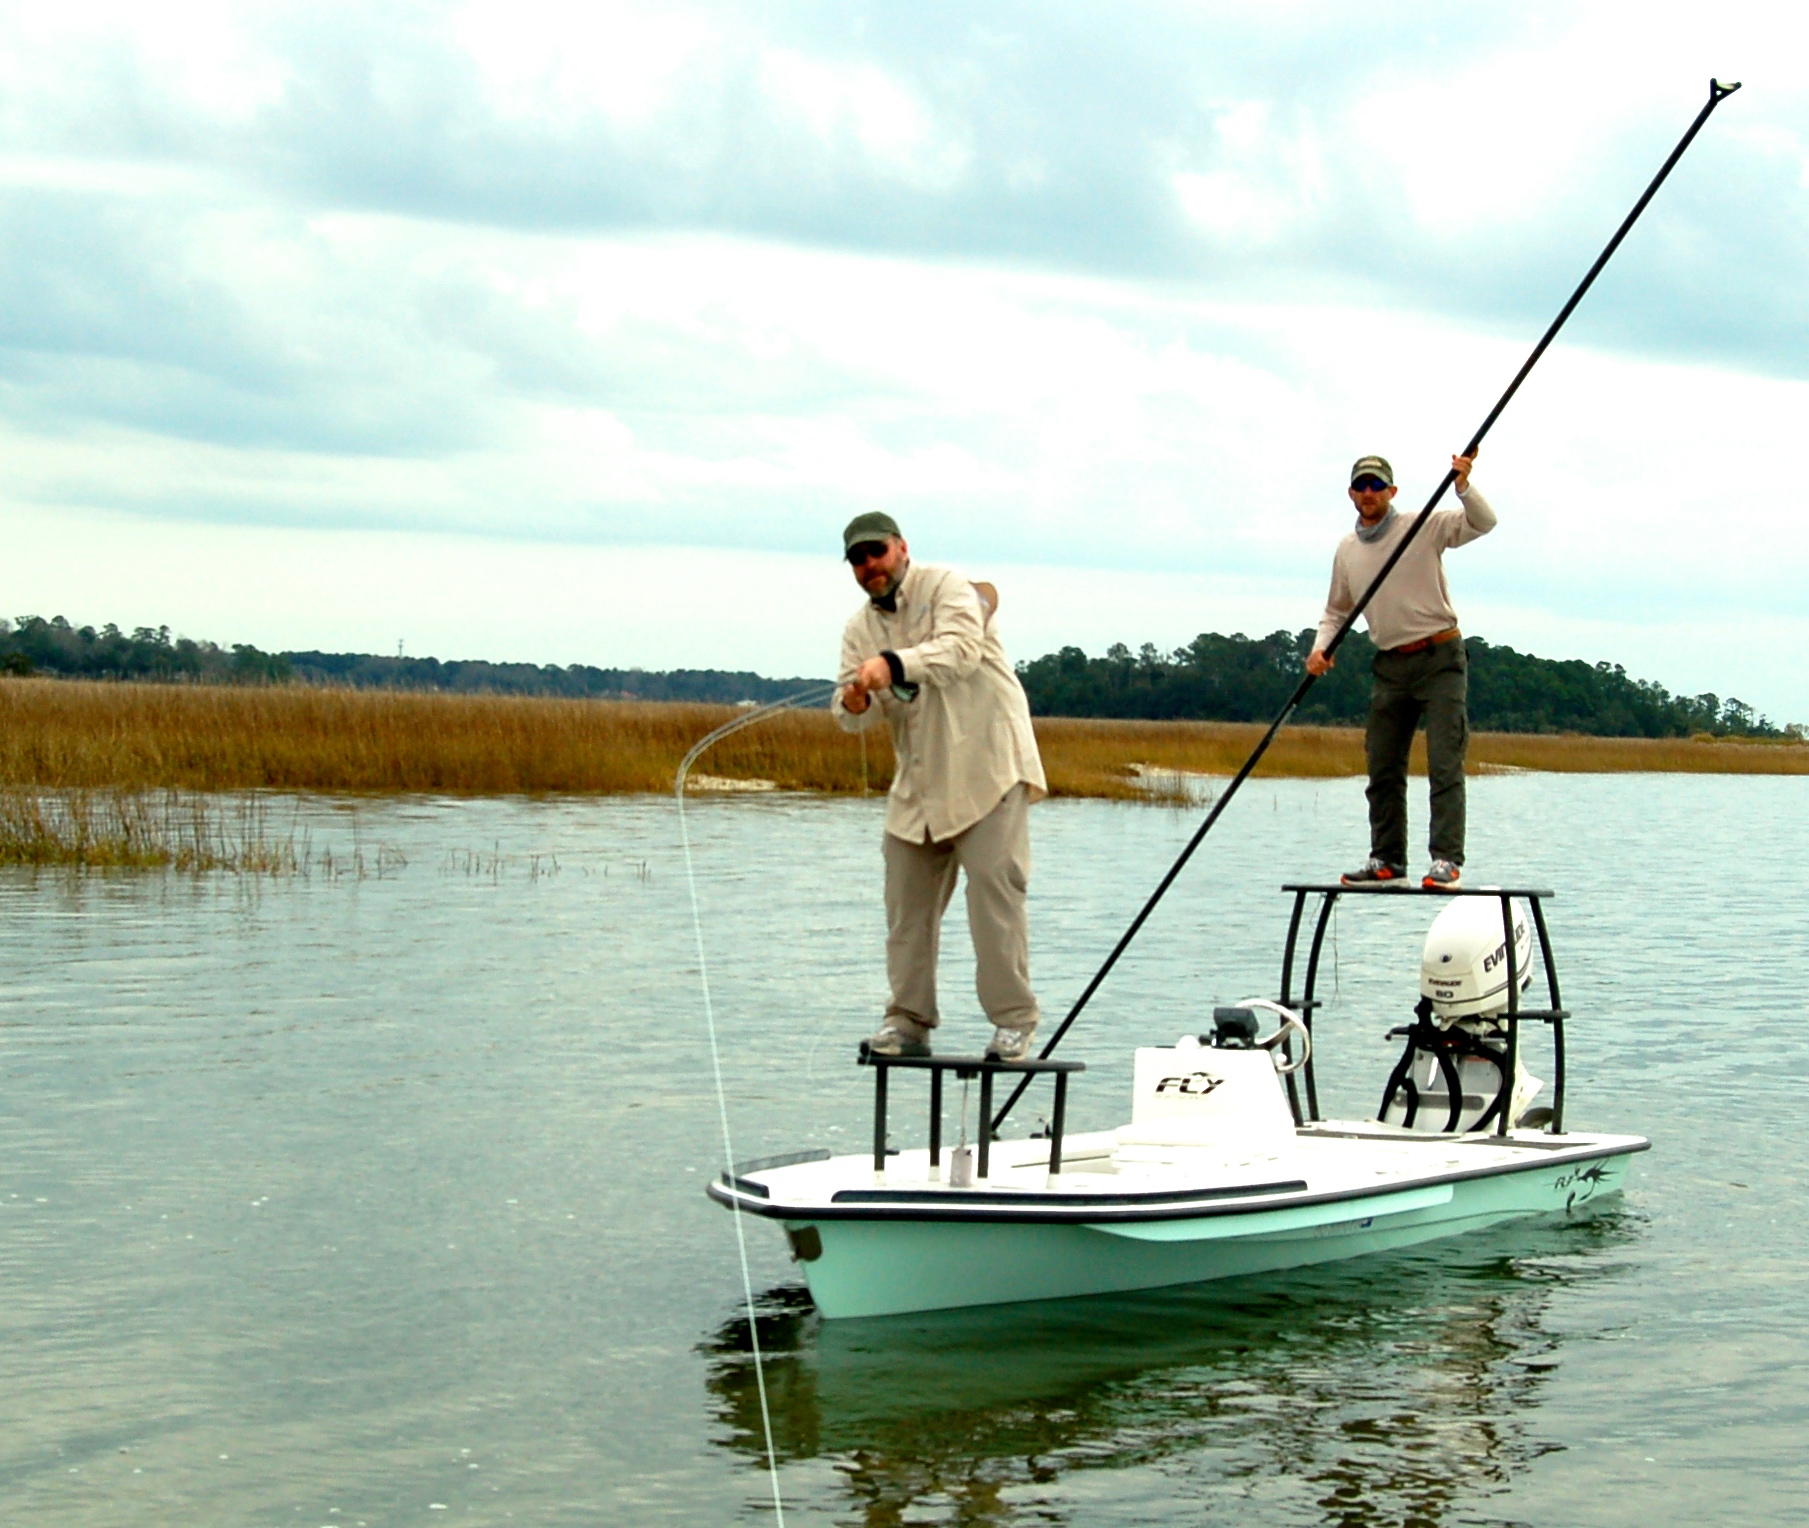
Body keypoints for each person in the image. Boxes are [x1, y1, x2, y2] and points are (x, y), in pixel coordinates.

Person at [832, 512, 1048, 1060]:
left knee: (994, 897)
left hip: (989, 771)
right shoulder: (858, 628)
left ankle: (1014, 1023)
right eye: (857, 560)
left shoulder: (949, 587)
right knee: (904, 908)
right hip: (919, 787)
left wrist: (892, 664)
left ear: (902, 547)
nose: (868, 566)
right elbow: (851, 713)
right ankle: (907, 1022)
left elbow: (958, 652)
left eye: (876, 553)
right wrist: (855, 699)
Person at [1306, 453, 1496, 890]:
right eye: (1362, 486)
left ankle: (1446, 861)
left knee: (1445, 760)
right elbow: (1336, 611)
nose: (1369, 493)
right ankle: (1387, 860)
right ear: (1352, 494)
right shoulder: (1347, 551)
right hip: (1390, 664)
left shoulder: (1423, 524)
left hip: (1440, 656)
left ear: (1392, 492)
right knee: (1383, 764)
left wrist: (1463, 486)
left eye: (1378, 486)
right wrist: (1320, 650)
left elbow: (1484, 522)